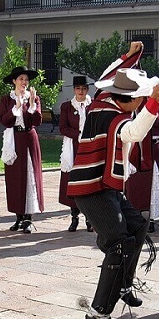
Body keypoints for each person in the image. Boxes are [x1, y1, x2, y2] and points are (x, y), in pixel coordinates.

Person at [67, 42, 159, 319]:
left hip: (105, 186)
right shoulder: (115, 119)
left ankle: (122, 283)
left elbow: (112, 72)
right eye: (140, 99)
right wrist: (154, 102)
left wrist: (129, 56)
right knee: (119, 245)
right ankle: (98, 314)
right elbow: (136, 133)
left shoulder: (102, 97)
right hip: (91, 188)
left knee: (138, 225)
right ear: (133, 100)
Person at [0, 66, 44, 234]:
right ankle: (18, 216)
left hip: (29, 139)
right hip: (14, 139)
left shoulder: (34, 98)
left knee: (30, 175)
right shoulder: (6, 99)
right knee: (15, 178)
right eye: (21, 79)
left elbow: (37, 121)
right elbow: (4, 120)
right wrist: (16, 107)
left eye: (26, 79)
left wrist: (32, 104)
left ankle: (28, 218)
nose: (24, 82)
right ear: (14, 81)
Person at [126, 102, 159, 233]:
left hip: (155, 150)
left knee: (154, 185)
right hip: (137, 150)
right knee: (136, 186)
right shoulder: (133, 106)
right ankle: (136, 215)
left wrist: (146, 111)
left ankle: (151, 219)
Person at [59, 75, 93, 232]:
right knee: (73, 182)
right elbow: (63, 128)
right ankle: (74, 217)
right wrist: (78, 134)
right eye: (78, 88)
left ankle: (89, 219)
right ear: (74, 89)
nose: (81, 91)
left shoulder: (92, 106)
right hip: (73, 147)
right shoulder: (67, 106)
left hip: (90, 147)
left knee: (88, 182)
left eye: (84, 88)